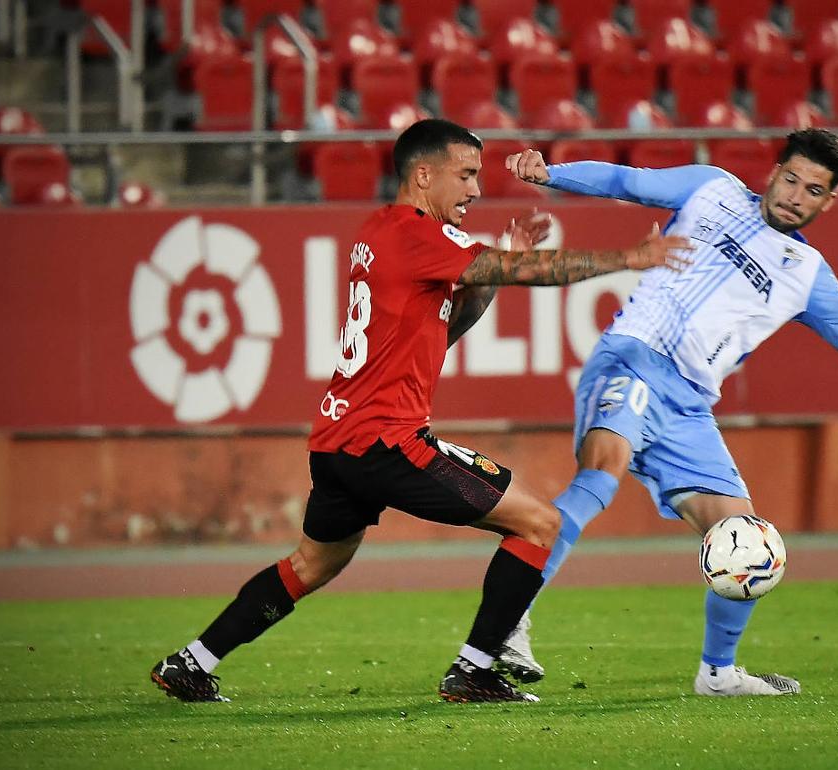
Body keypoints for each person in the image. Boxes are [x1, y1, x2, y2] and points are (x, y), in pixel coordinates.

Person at [149, 119, 691, 704]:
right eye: (466, 175)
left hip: (337, 441)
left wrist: (489, 277)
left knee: (310, 565)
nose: (476, 190)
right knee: (539, 524)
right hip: (386, 440)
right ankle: (475, 669)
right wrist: (632, 256)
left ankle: (192, 662)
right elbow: (526, 271)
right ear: (424, 174)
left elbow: (446, 328)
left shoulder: (380, 230)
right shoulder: (417, 235)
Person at [496, 128, 838, 696]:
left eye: (812, 190)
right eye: (790, 179)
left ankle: (718, 673)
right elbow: (627, 181)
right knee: (601, 475)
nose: (795, 196)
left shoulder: (806, 275)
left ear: (828, 202)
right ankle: (511, 619)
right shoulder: (712, 189)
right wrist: (549, 174)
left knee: (747, 539)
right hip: (633, 357)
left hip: (688, 407)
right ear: (773, 171)